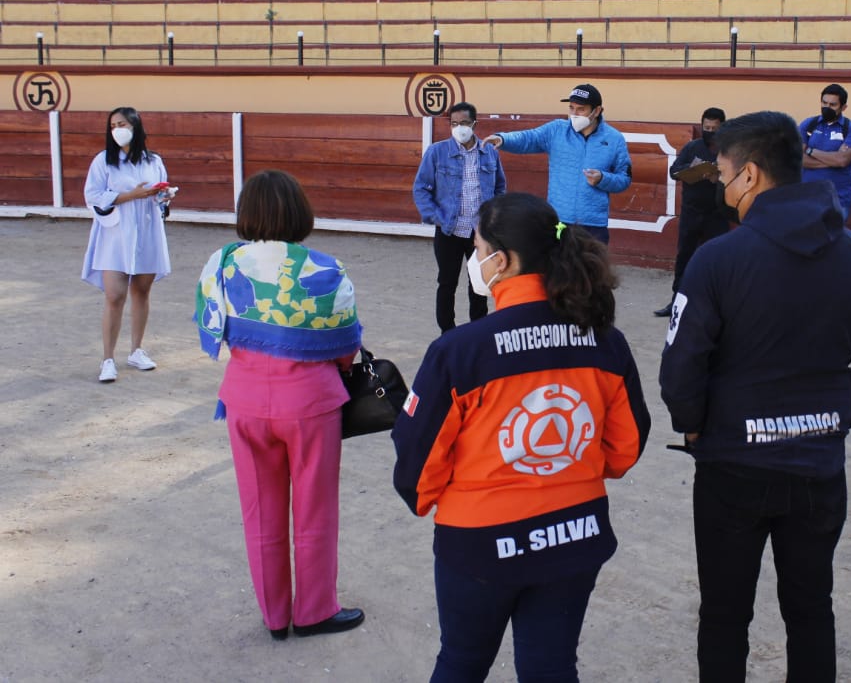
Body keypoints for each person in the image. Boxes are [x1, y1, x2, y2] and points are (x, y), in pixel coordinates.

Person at [659, 111, 851, 683]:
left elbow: (680, 368)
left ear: (752, 175)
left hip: (732, 466)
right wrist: (833, 419)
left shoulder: (718, 258)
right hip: (819, 466)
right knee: (812, 607)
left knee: (724, 612)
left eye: (722, 173)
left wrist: (693, 425)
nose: (719, 184)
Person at [392, 192, 650, 681]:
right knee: (551, 667)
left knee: (463, 662)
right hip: (576, 535)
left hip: (479, 546)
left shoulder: (459, 351)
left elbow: (419, 466)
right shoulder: (605, 340)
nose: (474, 260)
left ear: (502, 261)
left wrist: (431, 499)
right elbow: (625, 448)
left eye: (477, 248)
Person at [194, 169, 365, 640]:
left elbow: (214, 330)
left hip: (245, 399)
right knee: (315, 510)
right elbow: (346, 348)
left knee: (260, 512)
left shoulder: (221, 264)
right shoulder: (326, 269)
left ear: (245, 213)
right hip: (311, 403)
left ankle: (275, 616)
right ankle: (314, 611)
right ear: (299, 213)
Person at [82, 106, 173, 382]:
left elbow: (159, 192)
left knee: (142, 292)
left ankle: (136, 350)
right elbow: (94, 195)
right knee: (114, 295)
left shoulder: (153, 160)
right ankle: (107, 359)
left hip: (146, 230)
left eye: (121, 124)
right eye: (112, 125)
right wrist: (131, 195)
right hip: (116, 234)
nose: (117, 129)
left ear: (135, 126)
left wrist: (163, 196)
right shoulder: (103, 161)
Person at [484, 83, 632, 244]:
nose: (574, 114)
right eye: (571, 108)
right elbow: (529, 138)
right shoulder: (557, 130)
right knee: (557, 268)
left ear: (597, 111)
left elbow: (624, 179)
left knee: (590, 269)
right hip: (559, 220)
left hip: (594, 225)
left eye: (581, 109)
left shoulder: (614, 139)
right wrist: (503, 139)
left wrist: (603, 179)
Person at [413, 101, 507, 333]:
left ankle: (478, 331)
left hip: (480, 233)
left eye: (464, 123)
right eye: (454, 123)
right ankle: (448, 333)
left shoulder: (489, 153)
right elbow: (421, 188)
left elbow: (500, 188)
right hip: (449, 229)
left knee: (479, 283)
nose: (460, 128)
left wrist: (492, 220)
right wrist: (436, 216)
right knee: (447, 283)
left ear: (475, 124)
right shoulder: (437, 152)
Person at [655, 107, 730, 318]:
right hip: (691, 212)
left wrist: (719, 179)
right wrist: (693, 168)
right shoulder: (692, 147)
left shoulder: (730, 151)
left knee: (717, 261)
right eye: (707, 127)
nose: (710, 131)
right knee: (685, 258)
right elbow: (674, 171)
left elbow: (738, 179)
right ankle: (676, 302)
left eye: (715, 128)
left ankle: (717, 307)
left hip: (718, 214)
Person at [800, 83, 851, 220]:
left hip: (837, 201)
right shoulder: (808, 124)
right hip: (807, 198)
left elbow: (843, 160)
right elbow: (799, 159)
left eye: (833, 105)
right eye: (824, 103)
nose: (827, 107)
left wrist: (810, 150)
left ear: (843, 107)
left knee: (832, 240)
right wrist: (833, 159)